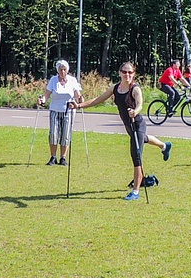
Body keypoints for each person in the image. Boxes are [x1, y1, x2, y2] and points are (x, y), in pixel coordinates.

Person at [75, 61, 172, 201]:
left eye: (130, 72)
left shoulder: (135, 89)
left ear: (134, 74)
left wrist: (135, 111)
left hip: (137, 124)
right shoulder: (115, 88)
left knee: (136, 155)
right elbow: (98, 100)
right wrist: (79, 106)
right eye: (124, 72)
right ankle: (164, 146)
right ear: (120, 73)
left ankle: (136, 191)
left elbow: (140, 104)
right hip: (128, 126)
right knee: (144, 139)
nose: (127, 74)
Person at [38, 59, 82, 166]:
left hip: (68, 111)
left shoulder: (72, 80)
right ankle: (53, 157)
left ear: (67, 70)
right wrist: (42, 100)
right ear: (57, 70)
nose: (63, 72)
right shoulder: (53, 80)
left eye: (64, 69)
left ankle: (63, 158)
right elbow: (47, 94)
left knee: (66, 134)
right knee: (53, 133)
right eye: (60, 70)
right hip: (55, 110)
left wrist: (80, 99)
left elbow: (77, 94)